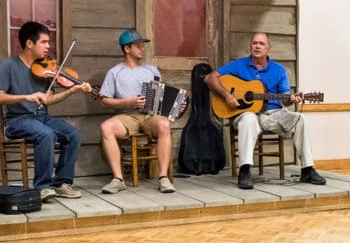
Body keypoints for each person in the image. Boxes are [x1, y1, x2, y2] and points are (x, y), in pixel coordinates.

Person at [204, 32, 326, 189]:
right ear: (250, 47)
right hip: (246, 116)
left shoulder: (278, 70)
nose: (257, 46)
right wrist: (227, 95)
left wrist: (291, 98)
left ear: (268, 48)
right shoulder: (239, 65)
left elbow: (285, 99)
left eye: (261, 44)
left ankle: (307, 170)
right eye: (254, 43)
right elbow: (209, 78)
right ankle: (245, 170)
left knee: (300, 119)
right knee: (248, 118)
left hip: (273, 115)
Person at [0, 21, 92, 201]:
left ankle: (62, 183)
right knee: (46, 134)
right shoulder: (8, 66)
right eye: (44, 42)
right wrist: (25, 97)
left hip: (42, 117)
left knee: (73, 134)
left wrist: (72, 90)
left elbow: (48, 99)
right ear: (29, 44)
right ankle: (42, 186)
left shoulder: (44, 69)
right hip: (17, 120)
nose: (48, 47)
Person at [99, 29, 186, 194]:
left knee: (164, 124)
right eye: (138, 45)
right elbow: (104, 101)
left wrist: (176, 106)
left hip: (150, 116)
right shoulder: (115, 72)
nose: (142, 49)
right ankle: (118, 179)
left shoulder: (151, 70)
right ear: (127, 49)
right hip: (127, 116)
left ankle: (163, 178)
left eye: (142, 45)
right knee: (106, 127)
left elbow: (163, 96)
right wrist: (129, 101)